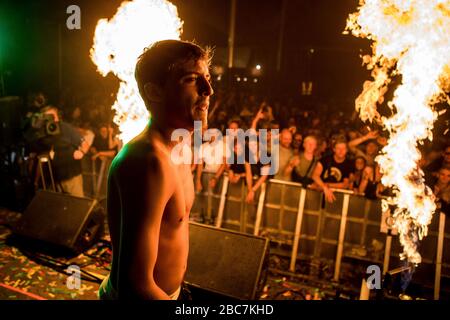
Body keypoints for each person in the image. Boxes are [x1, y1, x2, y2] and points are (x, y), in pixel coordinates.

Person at [98, 40, 214, 300]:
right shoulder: (148, 161)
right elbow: (135, 285)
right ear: (154, 91)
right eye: (191, 79)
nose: (208, 90)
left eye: (207, 78)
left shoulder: (180, 145)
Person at [40, 105, 90, 197]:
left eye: (52, 116)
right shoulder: (43, 132)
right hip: (54, 178)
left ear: (57, 116)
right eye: (47, 117)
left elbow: (84, 144)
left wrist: (81, 152)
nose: (51, 119)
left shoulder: (66, 128)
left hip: (71, 176)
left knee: (76, 205)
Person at [311, 138, 354, 202]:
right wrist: (325, 188)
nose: (341, 151)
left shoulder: (349, 164)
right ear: (334, 149)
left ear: (347, 150)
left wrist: (325, 185)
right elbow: (315, 176)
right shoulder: (325, 159)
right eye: (338, 148)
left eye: (343, 149)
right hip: (319, 196)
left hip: (338, 198)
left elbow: (345, 184)